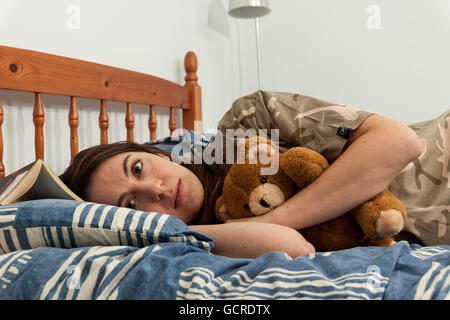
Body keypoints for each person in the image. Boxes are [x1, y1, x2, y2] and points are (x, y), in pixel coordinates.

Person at [59, 91, 448, 258]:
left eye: (138, 168)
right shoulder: (198, 245)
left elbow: (399, 142)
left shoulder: (245, 123)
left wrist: (282, 214)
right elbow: (292, 246)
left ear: (150, 151)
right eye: (132, 204)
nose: (155, 190)